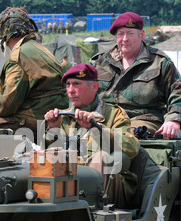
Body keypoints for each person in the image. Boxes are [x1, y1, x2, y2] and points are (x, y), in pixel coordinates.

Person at [44, 64, 143, 208]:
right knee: (50, 154)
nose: (71, 90)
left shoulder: (113, 114)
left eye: (76, 84)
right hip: (69, 188)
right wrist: (53, 130)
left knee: (101, 158)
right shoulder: (62, 117)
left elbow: (131, 147)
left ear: (95, 87)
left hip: (108, 190)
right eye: (68, 85)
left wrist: (96, 129)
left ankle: (92, 215)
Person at [91, 12, 181, 139]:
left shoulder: (159, 62)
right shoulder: (100, 62)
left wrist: (174, 119)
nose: (124, 39)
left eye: (130, 34)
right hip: (103, 119)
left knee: (122, 141)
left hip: (142, 121)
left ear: (142, 35)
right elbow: (81, 90)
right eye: (120, 34)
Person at [0, 7, 68, 139]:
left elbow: (9, 102)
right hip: (54, 116)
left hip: (36, 121)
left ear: (5, 32)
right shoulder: (42, 50)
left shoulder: (18, 56)